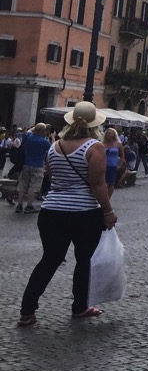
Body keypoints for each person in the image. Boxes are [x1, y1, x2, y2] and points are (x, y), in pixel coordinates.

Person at [18, 102, 117, 326]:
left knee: (49, 260)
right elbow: (98, 184)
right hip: (84, 212)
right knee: (84, 261)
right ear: (95, 125)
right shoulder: (94, 147)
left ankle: (27, 310)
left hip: (51, 211)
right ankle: (80, 307)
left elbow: (52, 177)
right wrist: (108, 211)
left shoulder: (55, 146)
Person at [15, 124, 52, 214]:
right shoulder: (44, 142)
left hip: (26, 164)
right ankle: (29, 206)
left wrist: (37, 127)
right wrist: (53, 138)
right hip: (38, 166)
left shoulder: (28, 137)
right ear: (42, 131)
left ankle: (19, 205)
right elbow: (53, 150)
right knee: (33, 187)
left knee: (23, 185)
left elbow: (29, 131)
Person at [102, 128, 125, 197]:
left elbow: (122, 155)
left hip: (113, 166)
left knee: (111, 183)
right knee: (103, 183)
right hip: (103, 166)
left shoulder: (118, 144)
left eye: (110, 133)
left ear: (113, 135)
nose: (108, 134)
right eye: (107, 133)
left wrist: (120, 164)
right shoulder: (102, 144)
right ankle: (103, 198)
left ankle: (108, 198)